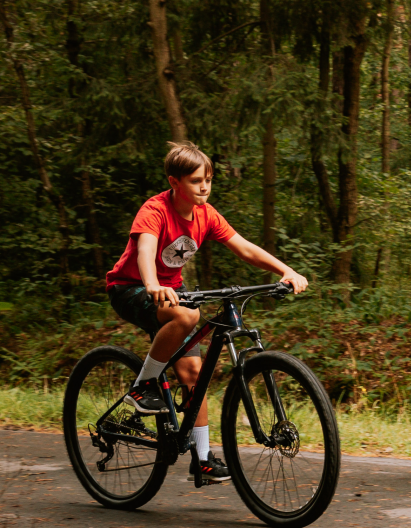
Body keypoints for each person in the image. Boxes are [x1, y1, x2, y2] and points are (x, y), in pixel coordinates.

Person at [103, 141, 310, 488]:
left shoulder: (206, 215)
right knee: (187, 316)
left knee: (195, 374)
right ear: (174, 182)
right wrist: (152, 283)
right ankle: (142, 387)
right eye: (196, 180)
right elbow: (145, 250)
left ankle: (202, 461)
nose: (204, 187)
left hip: (172, 293)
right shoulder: (155, 210)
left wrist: (285, 270)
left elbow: (244, 247)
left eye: (209, 180)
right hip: (131, 288)